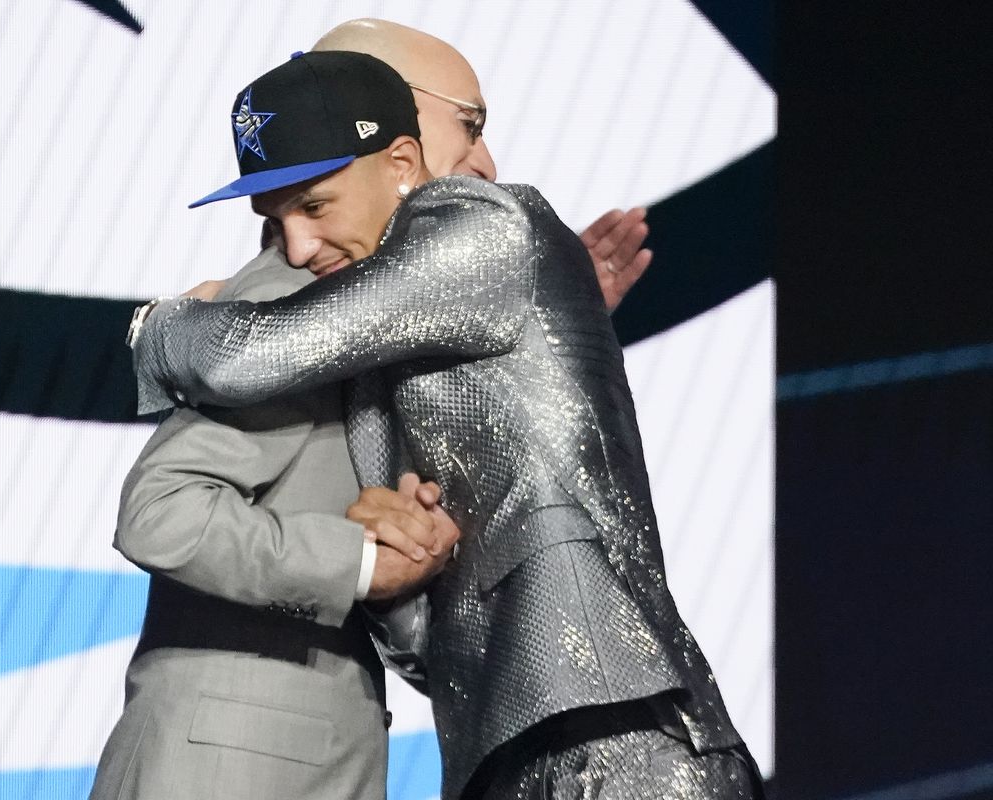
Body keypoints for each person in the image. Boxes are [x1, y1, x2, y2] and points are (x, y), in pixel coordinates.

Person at [132, 51, 761, 800]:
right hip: (500, 750)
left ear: (402, 161)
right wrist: (390, 562)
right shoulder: (381, 346)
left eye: (316, 206)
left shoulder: (483, 223)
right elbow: (431, 642)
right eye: (274, 221)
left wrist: (156, 325)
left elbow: (242, 360)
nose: (294, 248)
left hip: (615, 730)